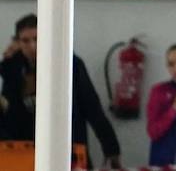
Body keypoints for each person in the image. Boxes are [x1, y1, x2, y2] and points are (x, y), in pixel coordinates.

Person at [0, 14, 122, 168]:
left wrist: (111, 148)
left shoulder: (70, 64)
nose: (32, 46)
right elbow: (8, 108)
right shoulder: (13, 67)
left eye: (37, 39)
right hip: (24, 149)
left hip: (68, 145)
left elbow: (92, 107)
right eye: (25, 41)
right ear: (17, 42)